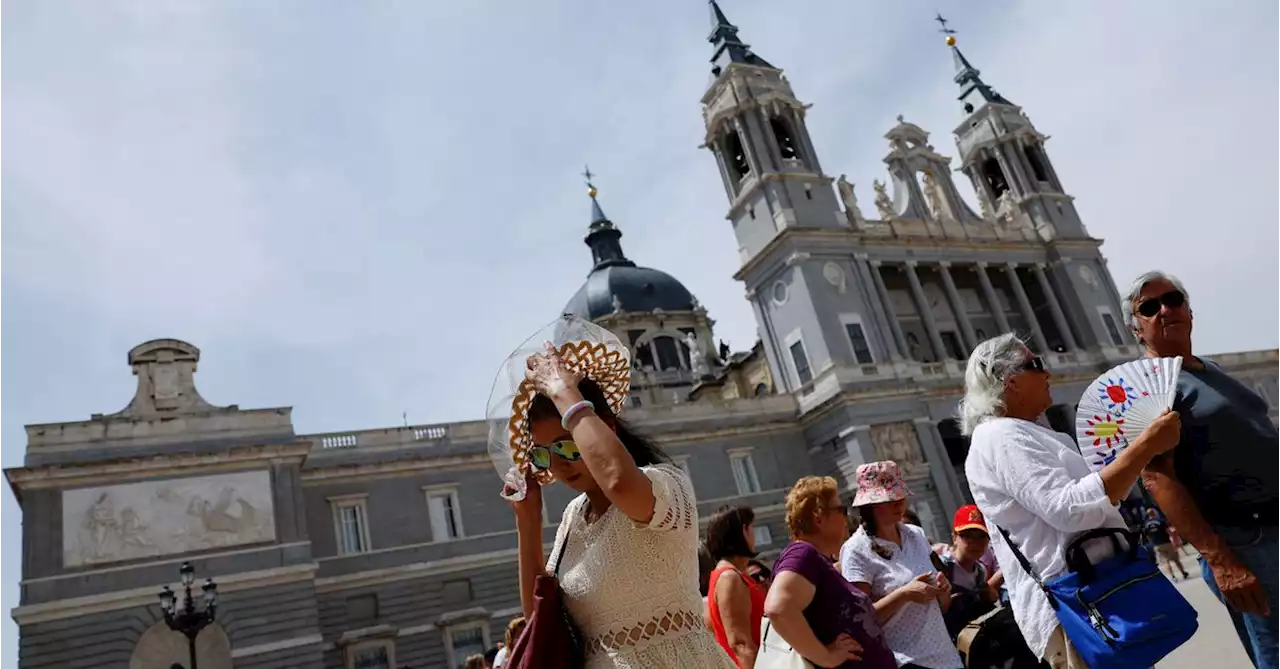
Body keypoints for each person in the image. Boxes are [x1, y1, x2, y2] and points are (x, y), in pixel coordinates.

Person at [505, 343, 733, 668]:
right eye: (543, 454)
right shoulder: (572, 517)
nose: (557, 464)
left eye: (567, 445)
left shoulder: (663, 484)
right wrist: (527, 521)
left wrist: (563, 390)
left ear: (606, 427)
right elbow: (540, 619)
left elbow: (617, 481)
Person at [960, 333, 1181, 668]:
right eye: (1036, 365)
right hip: (1076, 606)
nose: (1047, 373)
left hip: (1098, 591)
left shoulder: (1025, 433)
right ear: (1010, 380)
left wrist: (1135, 457)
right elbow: (1069, 510)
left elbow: (1098, 501)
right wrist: (1144, 446)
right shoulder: (1002, 436)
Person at [1128, 270, 1280, 668]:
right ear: (1137, 329)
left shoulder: (1207, 369)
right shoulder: (1149, 386)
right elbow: (1158, 478)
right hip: (1246, 541)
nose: (1165, 310)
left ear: (1190, 311)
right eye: (1149, 307)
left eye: (1174, 300)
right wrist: (1221, 560)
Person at [764, 476, 898, 668]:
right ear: (818, 517)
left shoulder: (818, 560)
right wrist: (826, 657)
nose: (846, 518)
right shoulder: (803, 553)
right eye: (841, 510)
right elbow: (778, 609)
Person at [840, 461, 963, 669]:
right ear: (870, 506)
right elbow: (859, 619)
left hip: (946, 657)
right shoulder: (856, 550)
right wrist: (904, 594)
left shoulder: (916, 534)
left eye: (901, 496)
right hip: (903, 662)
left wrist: (942, 592)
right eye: (890, 499)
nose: (899, 503)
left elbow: (941, 606)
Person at [706, 505, 766, 668]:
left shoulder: (732, 575)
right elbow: (741, 644)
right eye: (751, 527)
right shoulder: (729, 577)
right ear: (743, 531)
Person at [935, 505, 1000, 637]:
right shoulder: (942, 568)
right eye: (968, 536)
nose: (975, 543)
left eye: (982, 536)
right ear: (954, 537)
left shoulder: (980, 570)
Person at [1144, 508, 1190, 581]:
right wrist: (1174, 539)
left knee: (1166, 562)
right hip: (1166, 543)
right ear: (1154, 513)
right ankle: (1183, 573)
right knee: (1176, 559)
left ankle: (1173, 577)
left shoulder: (1146, 524)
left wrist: (1153, 543)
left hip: (1157, 545)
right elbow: (1168, 531)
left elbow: (1147, 536)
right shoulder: (1160, 521)